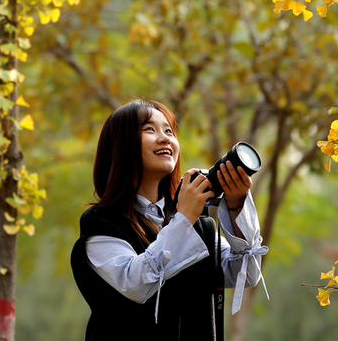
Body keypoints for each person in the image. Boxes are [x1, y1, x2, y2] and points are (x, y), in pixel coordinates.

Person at [71, 99, 268, 341]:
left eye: (169, 131)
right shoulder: (102, 222)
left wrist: (236, 205)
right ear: (120, 145)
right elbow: (137, 284)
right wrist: (184, 217)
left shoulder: (200, 225)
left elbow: (245, 274)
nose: (165, 138)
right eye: (149, 129)